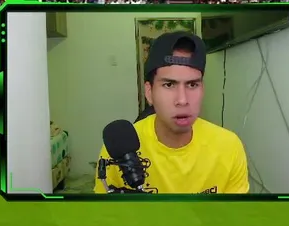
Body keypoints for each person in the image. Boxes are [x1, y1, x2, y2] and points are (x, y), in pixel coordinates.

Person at [95, 31, 248, 194]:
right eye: (169, 85)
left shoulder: (229, 147)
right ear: (149, 92)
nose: (182, 100)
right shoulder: (119, 150)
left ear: (202, 89)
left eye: (192, 85)